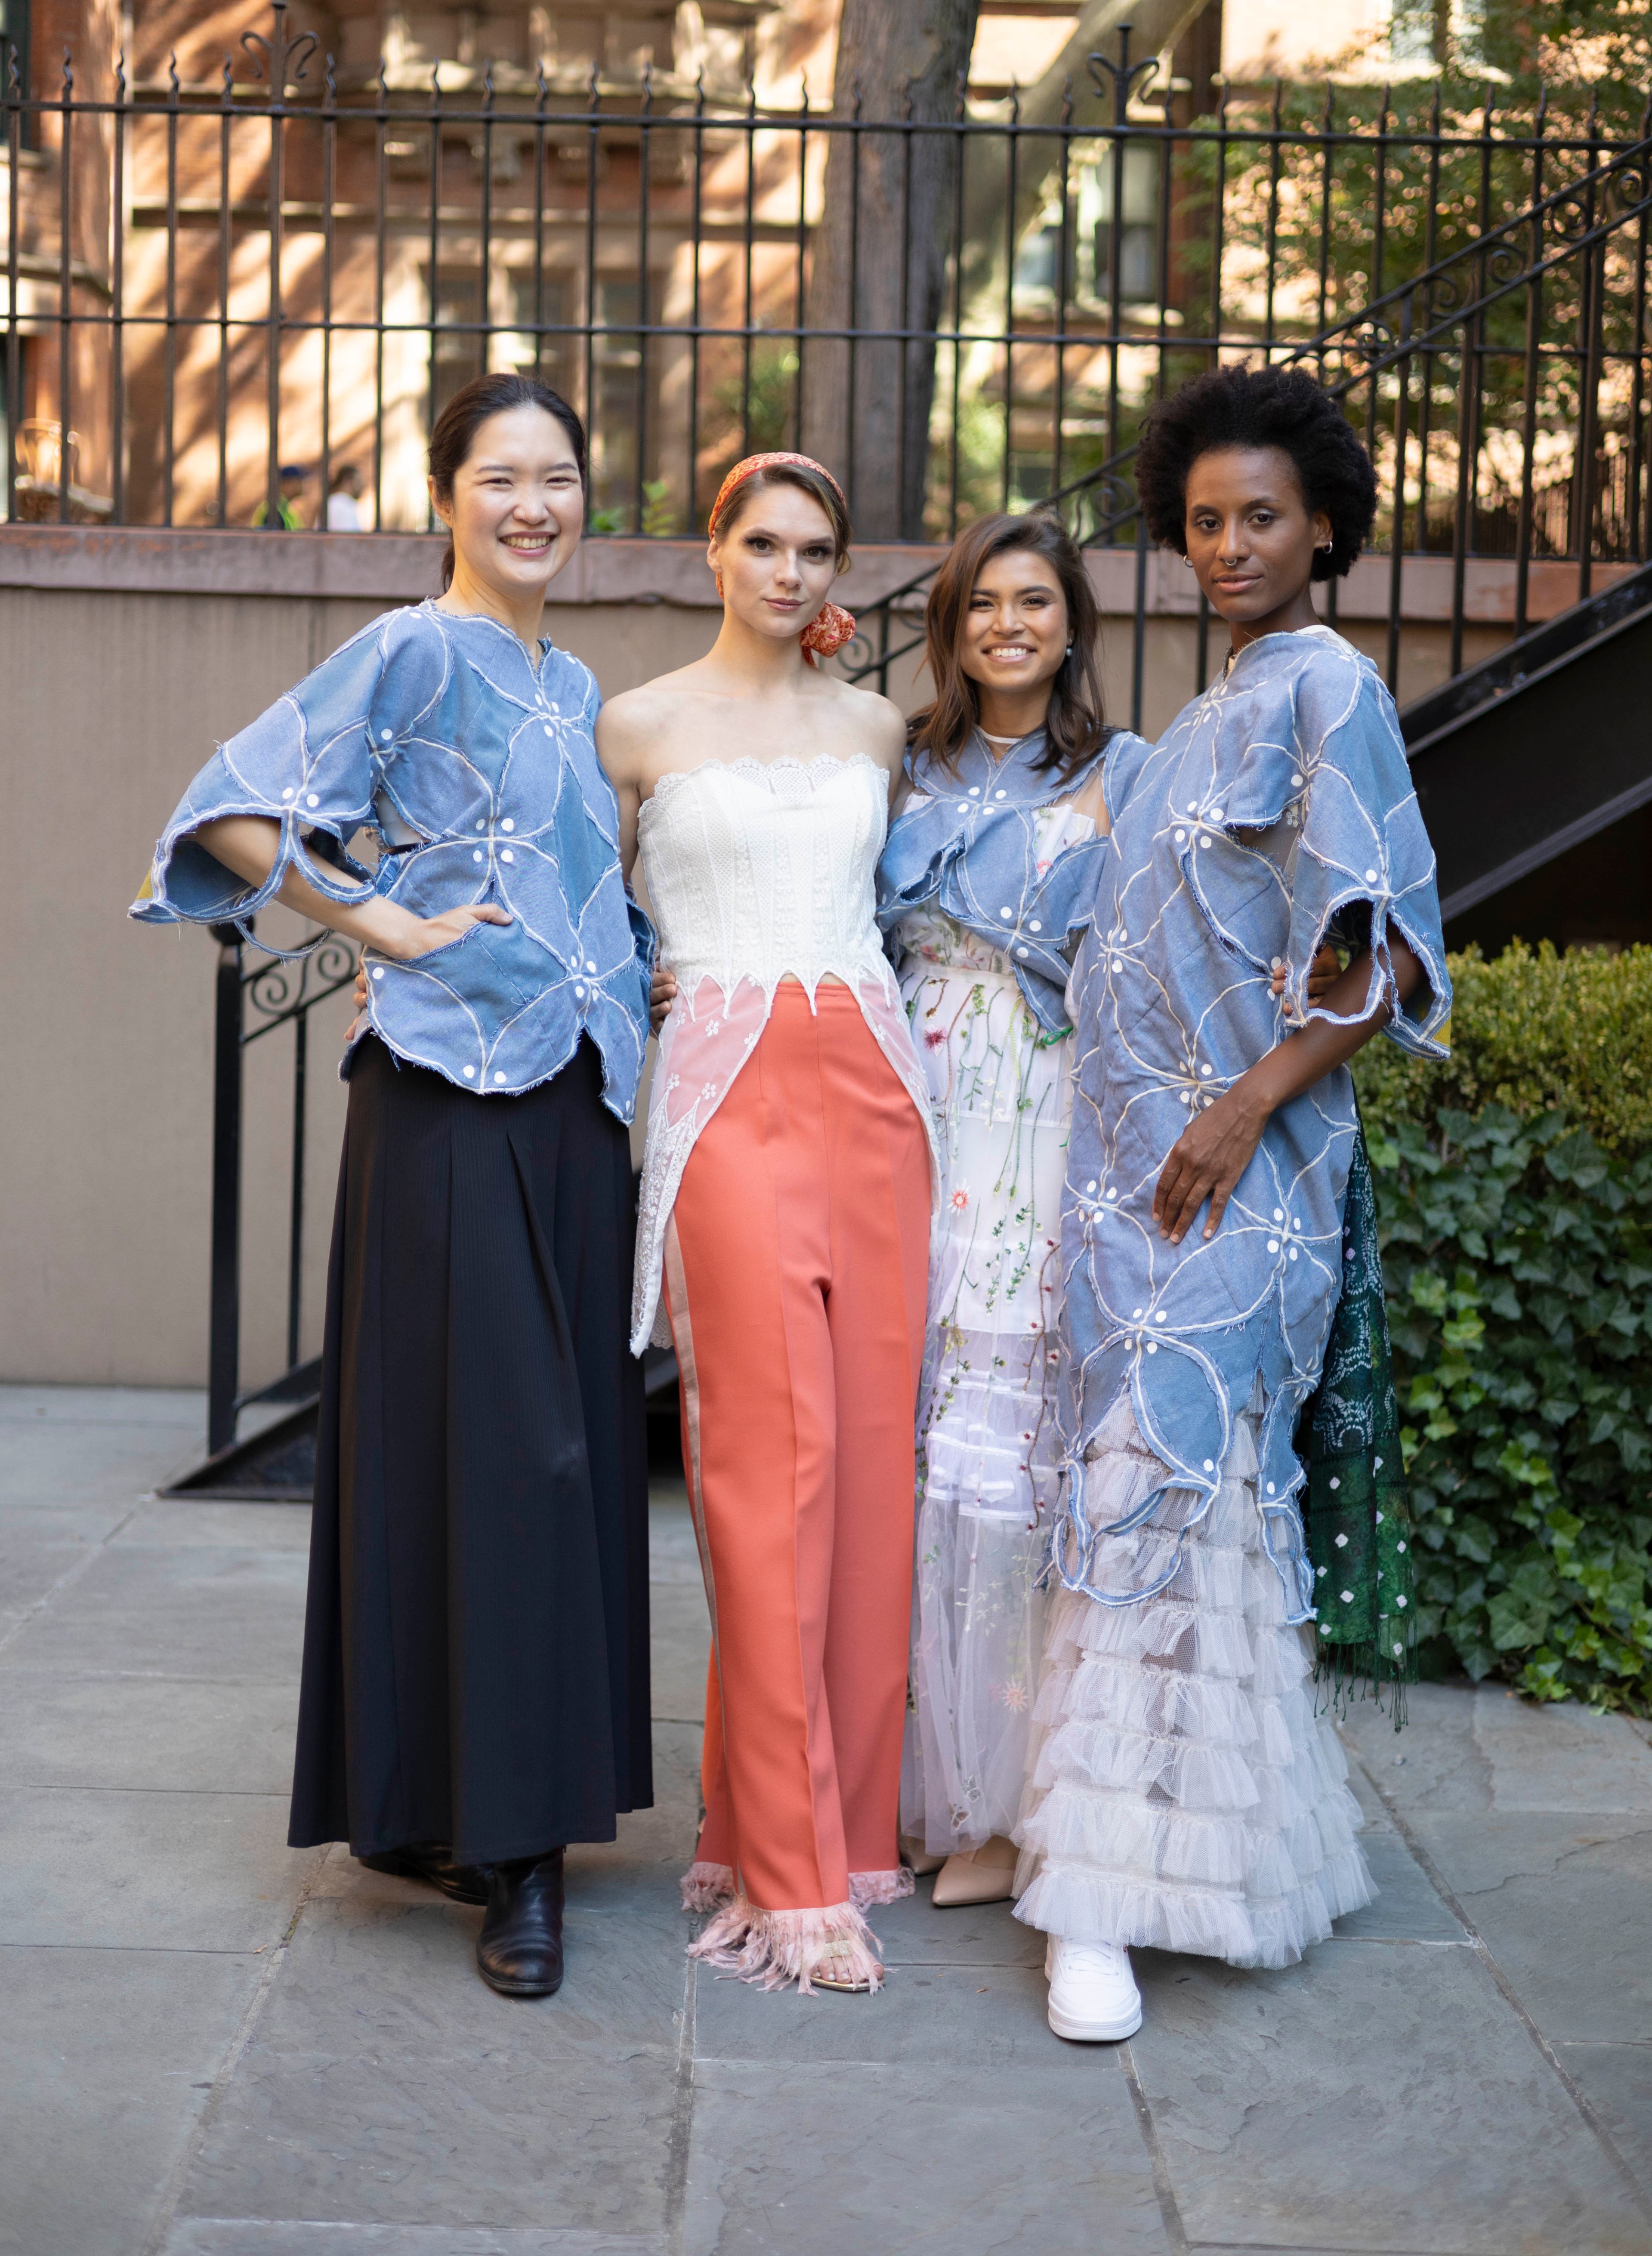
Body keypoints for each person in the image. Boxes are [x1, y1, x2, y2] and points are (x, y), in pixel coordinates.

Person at [132, 373, 660, 2000]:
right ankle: (513, 1857)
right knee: (515, 1453)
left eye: (559, 476)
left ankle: (454, 1806)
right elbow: (222, 810)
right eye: (501, 476)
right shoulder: (413, 648)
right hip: (445, 1105)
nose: (533, 504)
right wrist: (380, 928)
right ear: (447, 494)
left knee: (559, 1462)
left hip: (576, 1110)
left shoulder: (576, 682)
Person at [1015, 363, 1451, 2046]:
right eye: (1198, 521)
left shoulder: (1326, 690)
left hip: (1242, 1185)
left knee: (1157, 1489)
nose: (1224, 544)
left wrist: (1240, 1107)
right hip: (1130, 1191)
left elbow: (1378, 954)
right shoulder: (1190, 726)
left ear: (1321, 526)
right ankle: (1211, 1860)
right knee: (1182, 1516)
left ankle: (1096, 1911)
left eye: (1257, 516)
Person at [600, 452, 937, 1995]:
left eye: (815, 550)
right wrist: (638, 974)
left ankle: (824, 1827)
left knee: (872, 1467)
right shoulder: (637, 722)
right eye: (763, 542)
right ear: (711, 549)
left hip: (877, 1087)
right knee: (760, 1469)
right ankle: (795, 1884)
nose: (789, 569)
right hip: (728, 1090)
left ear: (837, 575)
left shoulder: (880, 725)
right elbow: (572, 908)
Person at [874, 512, 1117, 1909]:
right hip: (906, 1101)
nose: (1006, 625)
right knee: (909, 1445)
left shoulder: (1119, 774)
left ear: (1069, 622)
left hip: (1041, 1114)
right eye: (981, 604)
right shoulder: (894, 765)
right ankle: (922, 1777)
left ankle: (1011, 1800)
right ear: (950, 628)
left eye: (1032, 601)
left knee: (1009, 1439)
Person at [326, 463, 365, 530]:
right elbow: (347, 538)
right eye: (358, 481)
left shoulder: (336, 503)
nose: (362, 486)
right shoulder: (341, 505)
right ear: (347, 481)